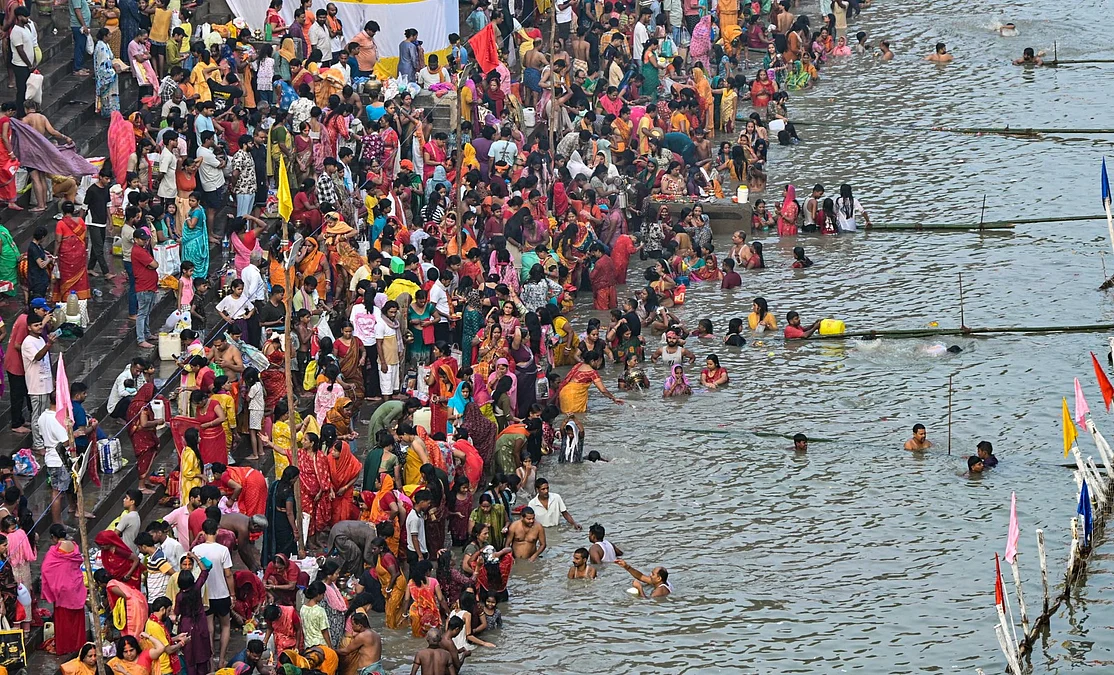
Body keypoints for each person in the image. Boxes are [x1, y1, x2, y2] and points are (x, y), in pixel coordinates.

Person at [193, 518, 235, 665]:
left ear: (203, 533)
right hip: (222, 593)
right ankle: (222, 659)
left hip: (205, 595)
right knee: (225, 626)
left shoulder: (196, 550)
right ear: (217, 531)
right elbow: (228, 574)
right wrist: (232, 594)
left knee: (209, 629)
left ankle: (210, 662)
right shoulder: (223, 550)